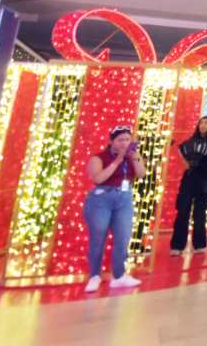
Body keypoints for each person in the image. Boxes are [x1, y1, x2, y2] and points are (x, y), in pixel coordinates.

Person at [83, 125, 145, 292]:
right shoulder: (99, 157)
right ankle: (95, 276)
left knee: (123, 237)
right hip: (101, 199)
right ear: (111, 141)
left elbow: (141, 174)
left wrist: (135, 157)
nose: (124, 143)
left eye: (127, 139)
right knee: (98, 237)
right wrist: (118, 161)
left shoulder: (133, 156)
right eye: (120, 140)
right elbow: (98, 178)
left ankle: (119, 276)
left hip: (124, 198)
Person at [170, 115, 207, 255]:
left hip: (204, 178)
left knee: (200, 213)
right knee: (183, 210)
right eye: (201, 123)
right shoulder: (192, 140)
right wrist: (186, 164)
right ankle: (177, 245)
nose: (203, 125)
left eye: (206, 123)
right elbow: (181, 151)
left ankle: (199, 244)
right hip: (189, 178)